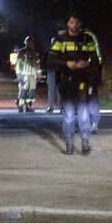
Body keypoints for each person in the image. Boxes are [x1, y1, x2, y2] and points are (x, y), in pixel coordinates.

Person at [46, 14, 100, 156]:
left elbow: (95, 59)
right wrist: (66, 63)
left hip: (83, 80)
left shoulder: (87, 39)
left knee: (83, 113)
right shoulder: (60, 40)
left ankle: (85, 142)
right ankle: (69, 143)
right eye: (71, 22)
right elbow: (51, 59)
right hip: (67, 81)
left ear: (80, 23)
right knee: (69, 114)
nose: (74, 24)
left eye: (76, 22)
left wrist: (87, 63)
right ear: (68, 24)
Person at [83, 26, 103, 133]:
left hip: (90, 76)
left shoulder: (88, 37)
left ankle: (94, 124)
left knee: (91, 100)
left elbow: (96, 61)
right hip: (86, 76)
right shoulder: (90, 37)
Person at [14, 36, 40, 113]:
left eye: (32, 43)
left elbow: (38, 65)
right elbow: (18, 65)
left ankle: (28, 106)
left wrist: (38, 75)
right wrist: (19, 76)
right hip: (24, 75)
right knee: (23, 90)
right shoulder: (22, 52)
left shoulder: (35, 53)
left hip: (33, 76)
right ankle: (21, 106)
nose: (31, 44)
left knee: (31, 91)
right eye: (29, 42)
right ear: (26, 43)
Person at [44, 36, 61, 113]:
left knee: (60, 91)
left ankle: (61, 107)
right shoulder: (48, 51)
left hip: (59, 73)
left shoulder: (61, 51)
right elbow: (43, 61)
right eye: (53, 42)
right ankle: (50, 107)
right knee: (51, 90)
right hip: (51, 72)